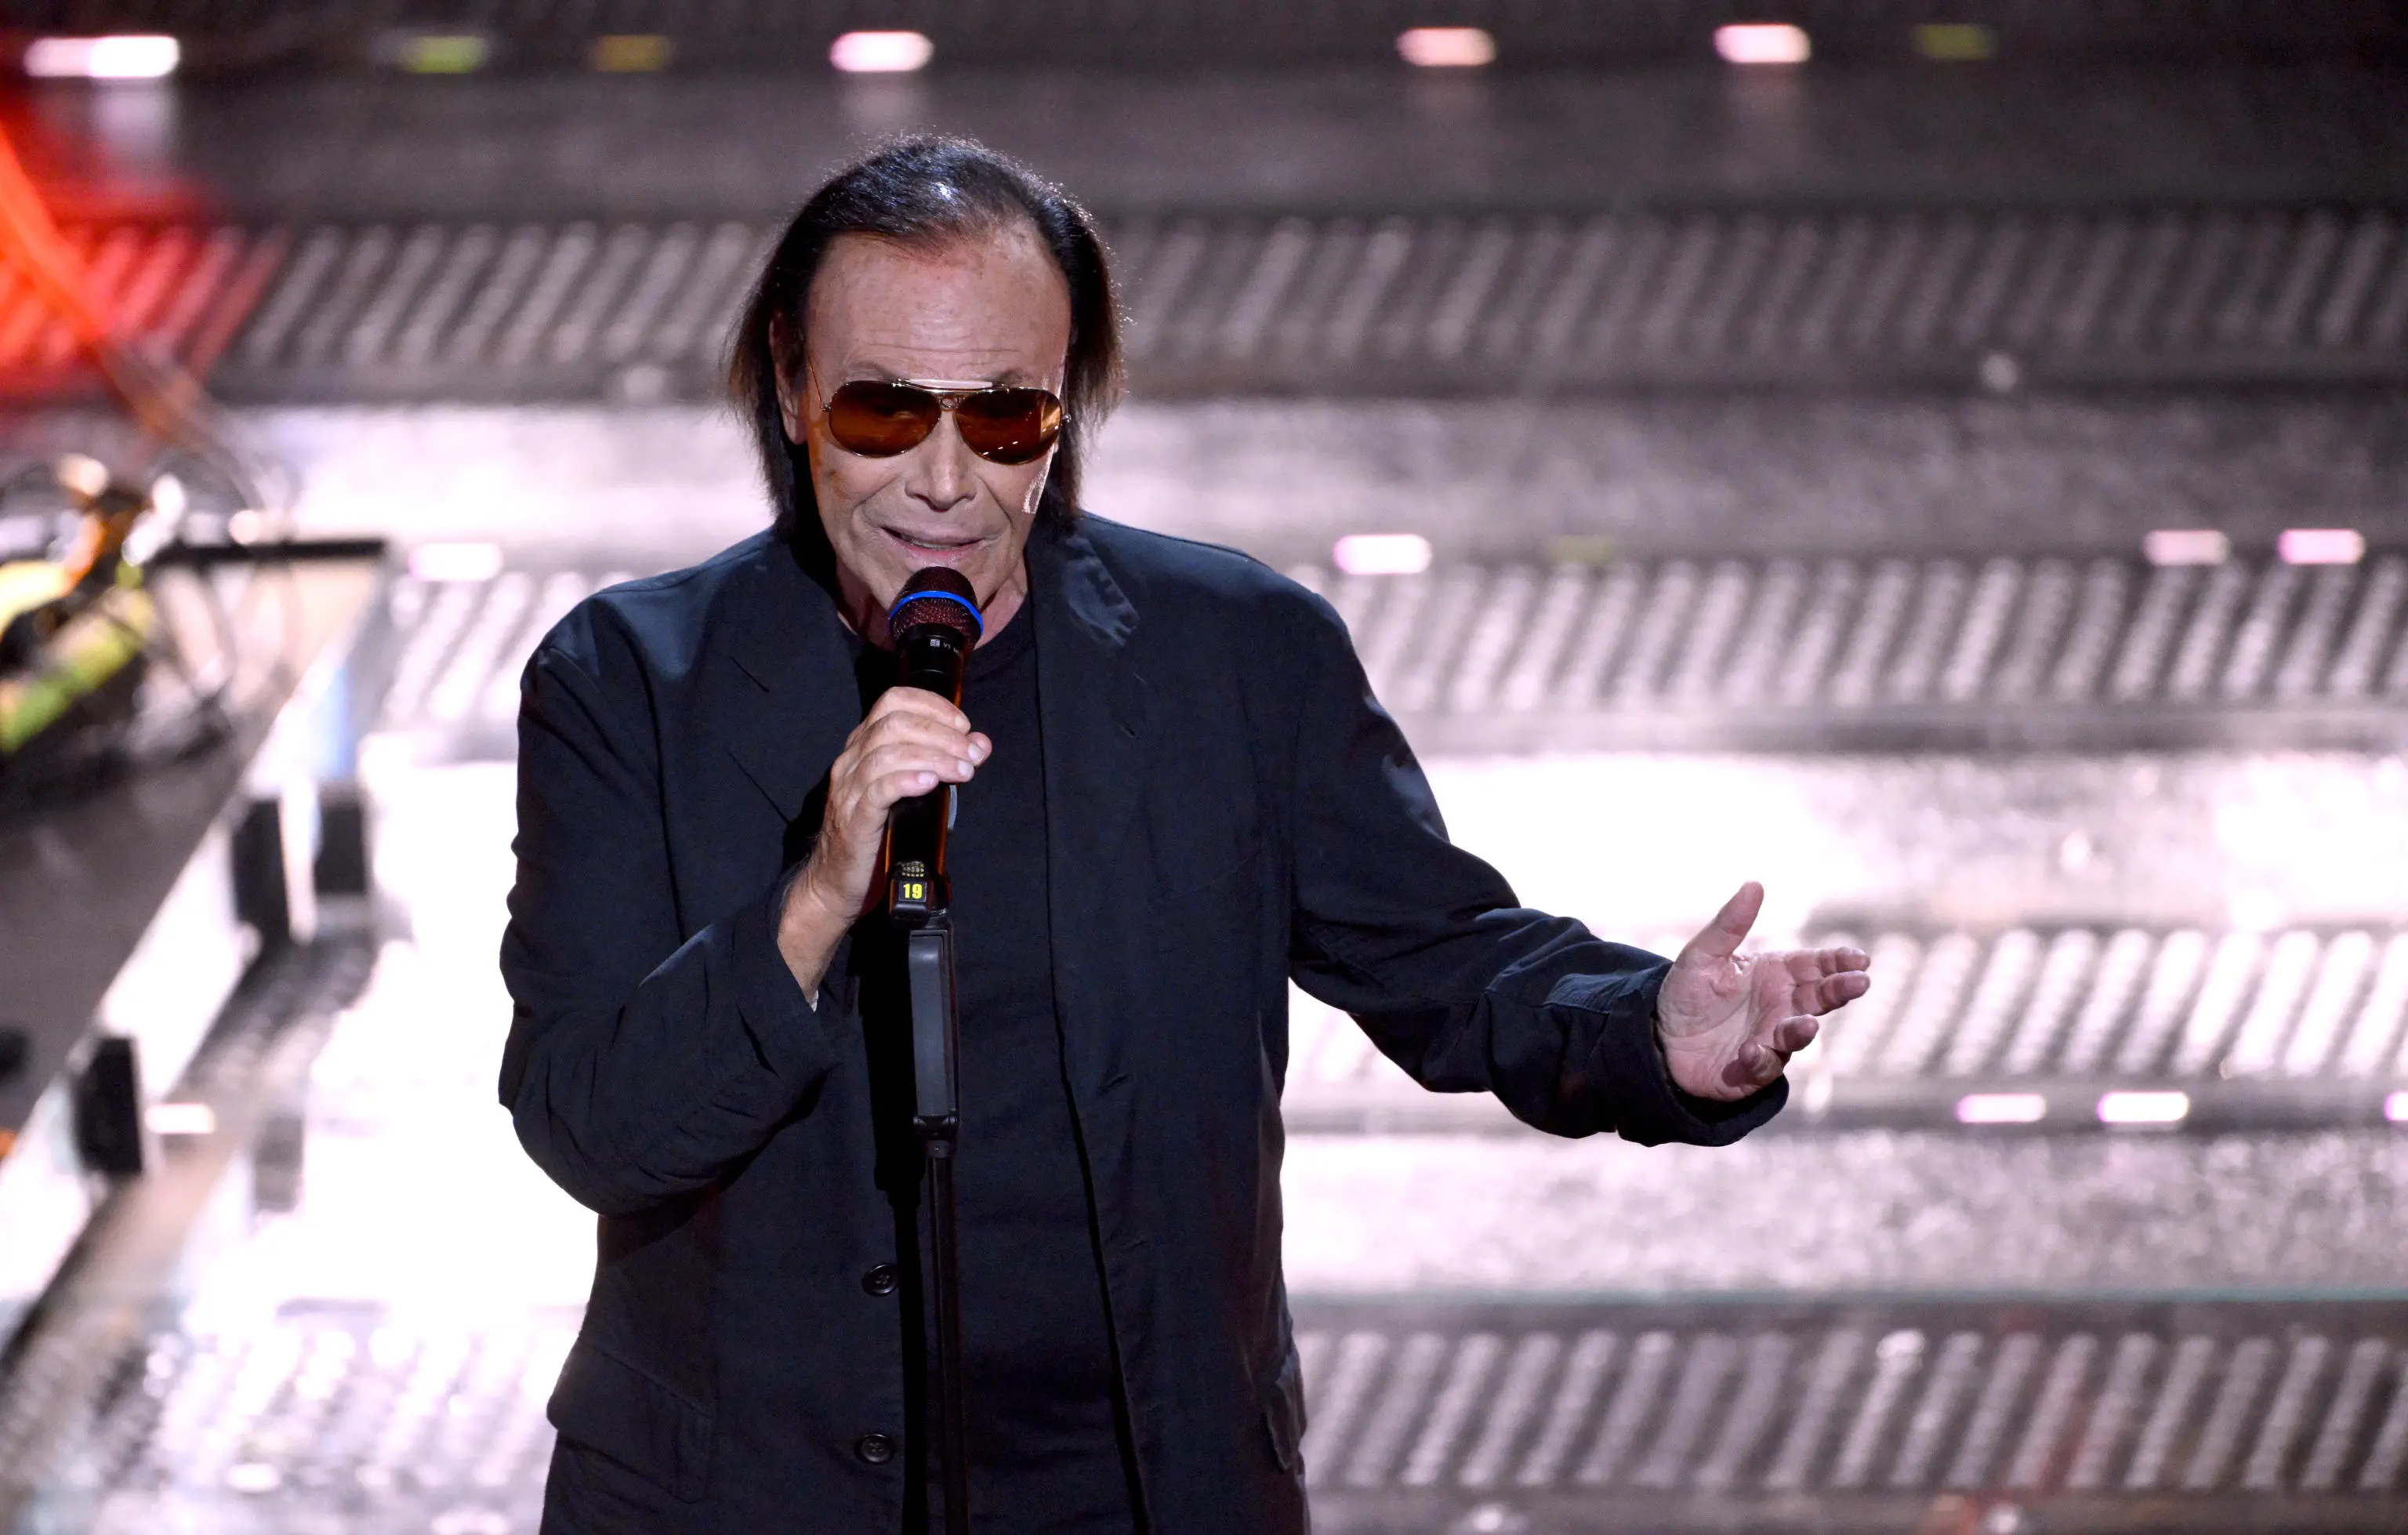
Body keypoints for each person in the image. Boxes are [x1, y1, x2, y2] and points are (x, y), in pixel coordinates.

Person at [499, 136, 1870, 1535]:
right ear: (792, 385)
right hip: (741, 1499)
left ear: (1068, 408)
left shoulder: (1234, 655)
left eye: (1007, 418)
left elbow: (1445, 956)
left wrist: (1651, 1027)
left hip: (1144, 1491)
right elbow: (589, 1121)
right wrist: (814, 898)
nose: (944, 479)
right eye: (883, 412)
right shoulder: (629, 685)